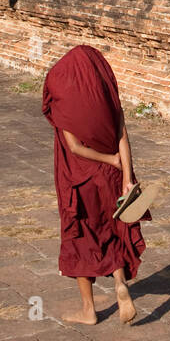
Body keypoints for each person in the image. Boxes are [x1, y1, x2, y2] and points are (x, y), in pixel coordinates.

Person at [42, 44, 148, 325]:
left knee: (81, 238)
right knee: (111, 230)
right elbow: (123, 137)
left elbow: (75, 148)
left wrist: (107, 159)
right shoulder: (107, 101)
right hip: (111, 178)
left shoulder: (66, 103)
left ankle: (89, 310)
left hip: (80, 180)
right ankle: (119, 284)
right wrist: (126, 177)